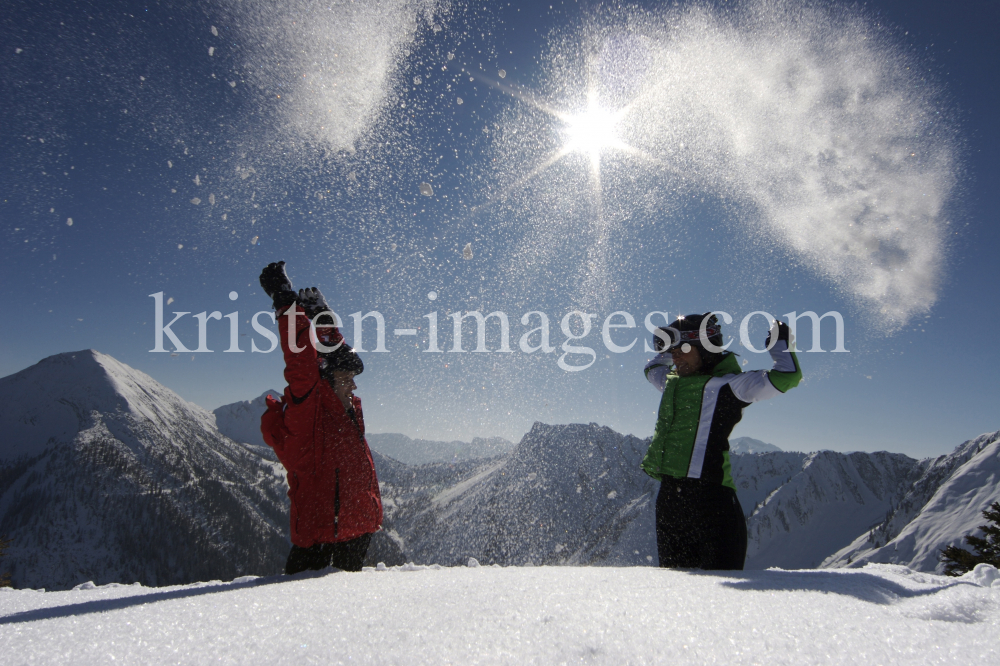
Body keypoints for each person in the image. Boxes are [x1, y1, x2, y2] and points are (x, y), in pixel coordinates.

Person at [642, 313, 801, 570]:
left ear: (706, 348)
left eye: (683, 349)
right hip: (669, 501)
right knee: (674, 591)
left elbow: (787, 376)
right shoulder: (671, 382)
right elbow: (652, 368)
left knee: (721, 595)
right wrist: (668, 348)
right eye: (672, 351)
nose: (676, 357)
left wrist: (780, 345)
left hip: (712, 503)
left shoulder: (730, 386)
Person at [258, 261, 383, 574]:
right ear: (325, 381)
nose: (353, 386)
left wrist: (324, 319)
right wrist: (284, 301)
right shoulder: (309, 412)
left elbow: (335, 356)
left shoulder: (345, 406)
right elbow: (300, 359)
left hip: (357, 530)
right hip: (324, 539)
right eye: (346, 378)